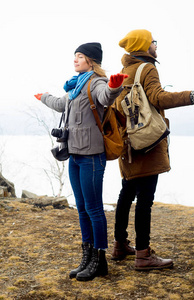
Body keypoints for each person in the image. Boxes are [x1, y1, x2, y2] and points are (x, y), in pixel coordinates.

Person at [112, 29, 194, 270]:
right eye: (153, 42)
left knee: (126, 193)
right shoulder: (147, 68)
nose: (155, 46)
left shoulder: (124, 71)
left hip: (128, 142)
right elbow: (158, 98)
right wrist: (191, 97)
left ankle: (119, 245)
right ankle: (143, 255)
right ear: (143, 45)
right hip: (146, 141)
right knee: (145, 200)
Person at [34, 42, 127, 281]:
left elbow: (106, 97)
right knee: (82, 208)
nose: (75, 60)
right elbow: (60, 104)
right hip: (74, 155)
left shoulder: (96, 82)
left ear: (91, 61)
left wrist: (115, 86)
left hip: (92, 157)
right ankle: (87, 256)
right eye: (75, 56)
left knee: (94, 209)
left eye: (80, 56)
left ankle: (100, 259)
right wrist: (43, 97)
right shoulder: (75, 86)